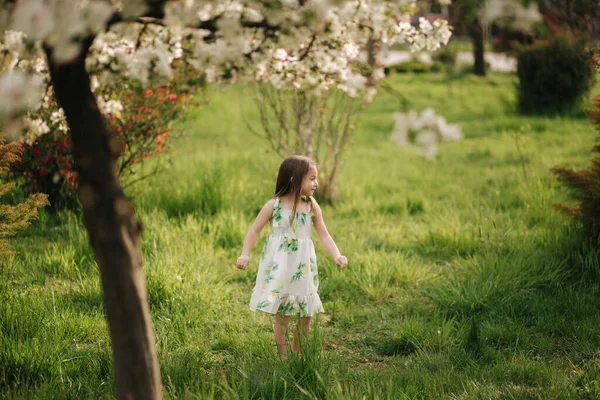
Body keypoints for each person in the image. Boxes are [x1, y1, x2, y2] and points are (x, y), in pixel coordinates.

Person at [236, 155, 348, 358]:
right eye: (312, 178)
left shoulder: (311, 206)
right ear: (294, 179)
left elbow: (324, 234)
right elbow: (254, 230)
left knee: (306, 313)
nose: (316, 183)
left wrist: (337, 255)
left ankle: (298, 356)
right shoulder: (274, 205)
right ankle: (283, 357)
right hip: (282, 267)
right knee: (284, 313)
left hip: (303, 266)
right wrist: (245, 254)